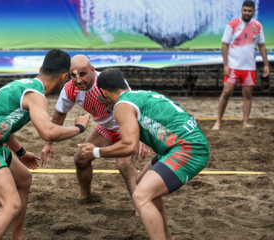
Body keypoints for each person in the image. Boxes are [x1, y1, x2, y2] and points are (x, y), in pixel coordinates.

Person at [0, 49, 90, 239]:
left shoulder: (24, 84)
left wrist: (20, 151)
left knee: (24, 179)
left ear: (40, 68)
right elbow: (48, 131)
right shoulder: (36, 96)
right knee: (11, 205)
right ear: (63, 77)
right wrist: (79, 128)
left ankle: (17, 237)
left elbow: (4, 125)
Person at [78, 68, 210, 239]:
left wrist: (96, 152)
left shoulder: (122, 106)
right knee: (141, 184)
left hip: (188, 149)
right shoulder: (140, 95)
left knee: (141, 197)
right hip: (178, 146)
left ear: (103, 91)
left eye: (100, 97)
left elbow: (130, 146)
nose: (102, 102)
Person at [41, 54, 150, 200]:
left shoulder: (107, 81)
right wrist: (49, 142)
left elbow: (134, 105)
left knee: (124, 164)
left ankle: (141, 206)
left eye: (83, 74)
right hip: (106, 128)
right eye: (73, 75)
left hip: (128, 126)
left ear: (92, 70)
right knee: (81, 158)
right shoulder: (69, 89)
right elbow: (59, 115)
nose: (78, 80)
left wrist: (141, 136)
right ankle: (86, 196)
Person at [212, 0, 269, 130]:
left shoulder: (258, 26)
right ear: (241, 10)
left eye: (249, 11)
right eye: (245, 10)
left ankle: (245, 122)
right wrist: (225, 64)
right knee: (227, 92)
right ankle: (218, 122)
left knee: (248, 94)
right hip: (233, 66)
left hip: (249, 67)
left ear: (254, 11)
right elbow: (225, 45)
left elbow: (262, 45)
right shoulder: (232, 24)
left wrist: (266, 64)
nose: (247, 13)